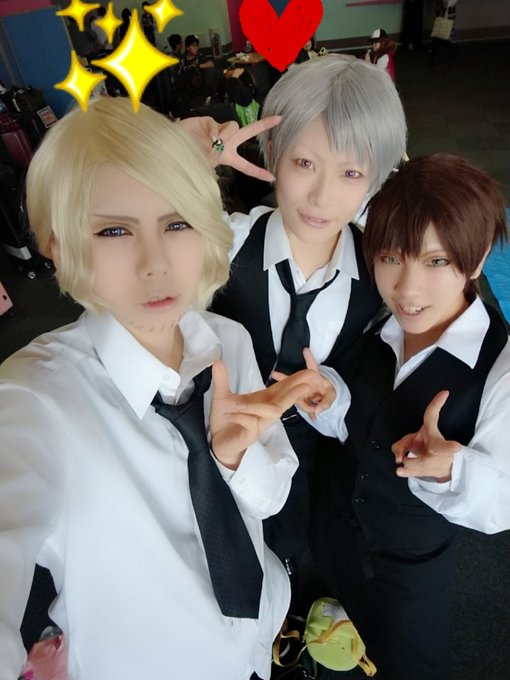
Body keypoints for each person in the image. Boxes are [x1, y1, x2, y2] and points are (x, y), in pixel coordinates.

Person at [0, 97, 325, 680]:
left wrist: (235, 459)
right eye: (114, 230)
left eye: (177, 223)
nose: (156, 263)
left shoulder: (227, 341)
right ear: (57, 245)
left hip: (261, 626)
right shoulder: (32, 400)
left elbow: (270, 497)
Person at [184, 54, 407, 616]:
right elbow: (119, 239)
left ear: (376, 180)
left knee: (315, 548)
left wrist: (335, 397)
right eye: (305, 162)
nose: (322, 196)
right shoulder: (226, 245)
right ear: (273, 153)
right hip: (224, 446)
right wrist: (187, 160)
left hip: (322, 454)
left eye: (351, 174)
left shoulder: (383, 274)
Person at [292, 153, 510, 680]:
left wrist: (451, 469)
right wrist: (332, 401)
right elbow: (357, 420)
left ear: (477, 258)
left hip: (410, 566)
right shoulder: (377, 322)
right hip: (335, 526)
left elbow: (501, 503)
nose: (408, 289)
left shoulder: (501, 368)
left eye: (436, 262)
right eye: (391, 257)